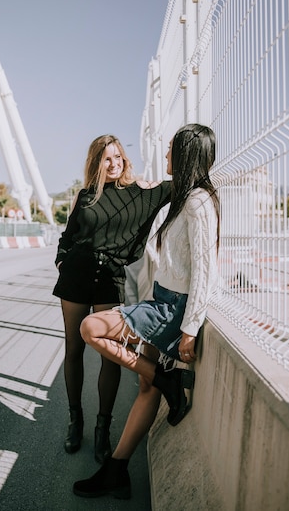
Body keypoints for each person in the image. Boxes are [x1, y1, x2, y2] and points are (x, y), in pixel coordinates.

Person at [72, 123, 220, 499]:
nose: (165, 155)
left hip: (172, 309)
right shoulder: (185, 198)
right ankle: (117, 470)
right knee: (145, 385)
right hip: (160, 299)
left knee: (91, 328)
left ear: (186, 155)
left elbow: (206, 268)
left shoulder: (199, 202)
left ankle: (165, 378)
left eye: (171, 150)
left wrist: (190, 328)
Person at [52, 134, 171, 464]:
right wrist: (62, 259)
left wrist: (155, 183)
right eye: (107, 158)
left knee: (111, 354)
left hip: (109, 278)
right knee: (73, 348)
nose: (115, 163)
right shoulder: (85, 196)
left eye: (118, 157)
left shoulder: (140, 193)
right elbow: (67, 236)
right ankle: (76, 421)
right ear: (96, 163)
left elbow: (178, 186)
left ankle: (103, 428)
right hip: (76, 275)